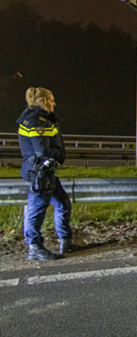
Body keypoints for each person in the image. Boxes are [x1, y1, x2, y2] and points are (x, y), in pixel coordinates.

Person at [17, 87, 77, 260]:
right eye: (51, 100)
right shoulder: (37, 121)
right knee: (37, 209)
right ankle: (34, 247)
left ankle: (66, 240)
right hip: (39, 172)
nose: (54, 103)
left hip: (45, 171)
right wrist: (60, 156)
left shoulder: (40, 119)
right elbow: (42, 150)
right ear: (43, 102)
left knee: (63, 203)